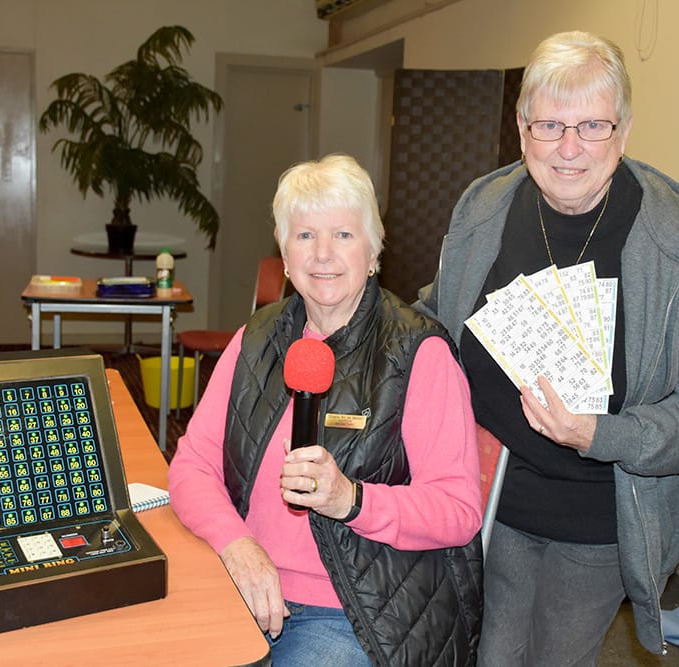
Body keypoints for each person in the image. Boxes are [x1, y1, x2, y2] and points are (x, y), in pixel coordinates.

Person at [415, 31, 679, 665]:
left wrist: (605, 434)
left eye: (592, 125)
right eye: (549, 125)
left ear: (624, 131)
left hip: (601, 515)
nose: (569, 149)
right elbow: (437, 317)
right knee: (483, 656)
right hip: (489, 496)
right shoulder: (483, 208)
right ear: (521, 129)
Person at [169, 154, 484, 666]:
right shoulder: (256, 338)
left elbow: (458, 512)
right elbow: (191, 466)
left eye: (342, 234)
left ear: (374, 249)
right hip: (243, 584)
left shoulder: (417, 351)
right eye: (304, 235)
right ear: (284, 254)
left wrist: (352, 500)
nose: (322, 255)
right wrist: (239, 547)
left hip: (356, 610)